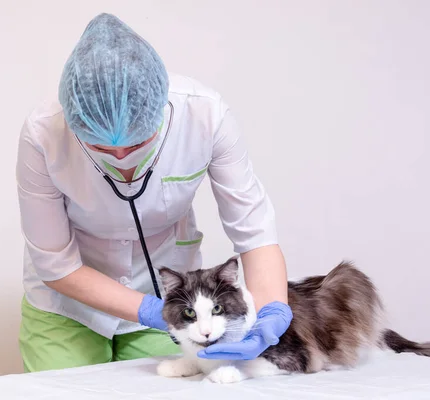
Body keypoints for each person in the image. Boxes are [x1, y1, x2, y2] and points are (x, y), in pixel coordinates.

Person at [16, 13, 292, 372]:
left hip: (172, 295)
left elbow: (254, 232)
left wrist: (270, 313)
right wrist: (151, 310)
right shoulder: (42, 135)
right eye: (100, 147)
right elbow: (56, 263)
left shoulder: (206, 117)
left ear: (161, 112)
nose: (121, 158)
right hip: (68, 302)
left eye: (137, 143)